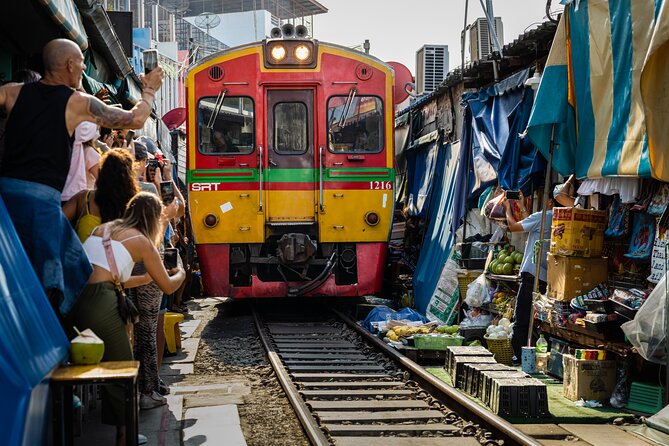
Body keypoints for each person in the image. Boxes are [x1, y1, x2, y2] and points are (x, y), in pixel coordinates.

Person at [0, 38, 163, 316]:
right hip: (41, 204)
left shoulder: (12, 92)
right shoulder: (76, 102)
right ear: (69, 65)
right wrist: (148, 90)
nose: (83, 69)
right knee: (61, 275)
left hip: (6, 198)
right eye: (81, 64)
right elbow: (134, 120)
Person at [70, 192, 185, 446]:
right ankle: (126, 436)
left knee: (99, 367)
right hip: (101, 302)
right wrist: (182, 274)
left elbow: (105, 272)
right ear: (154, 218)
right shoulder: (142, 241)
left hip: (76, 298)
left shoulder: (103, 228)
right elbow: (167, 286)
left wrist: (143, 279)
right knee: (124, 370)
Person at [503, 188, 574, 361]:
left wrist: (507, 208)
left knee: (521, 320)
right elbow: (533, 226)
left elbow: (513, 227)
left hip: (531, 275)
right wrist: (522, 206)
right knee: (539, 321)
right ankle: (534, 355)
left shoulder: (544, 215)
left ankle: (520, 357)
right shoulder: (561, 217)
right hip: (548, 276)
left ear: (551, 201)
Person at [63, 149, 139, 243]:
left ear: (101, 171)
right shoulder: (134, 204)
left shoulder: (84, 198)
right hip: (118, 257)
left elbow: (55, 223)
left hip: (84, 256)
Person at [61, 121, 102, 202]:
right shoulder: (89, 151)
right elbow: (102, 179)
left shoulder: (78, 148)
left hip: (64, 192)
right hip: (79, 196)